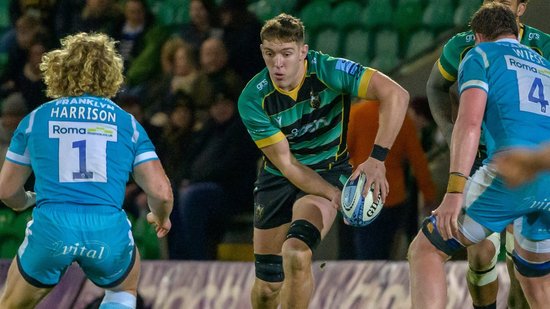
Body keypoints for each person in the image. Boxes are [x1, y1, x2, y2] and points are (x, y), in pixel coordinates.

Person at [238, 13, 409, 308]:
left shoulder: (328, 70)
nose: (277, 64)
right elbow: (288, 165)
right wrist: (335, 197)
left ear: (303, 52)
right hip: (279, 176)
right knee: (268, 286)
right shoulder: (253, 99)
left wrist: (376, 159)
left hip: (330, 169)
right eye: (270, 54)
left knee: (296, 253)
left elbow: (396, 93)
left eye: (286, 54)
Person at [0, 32, 173, 309]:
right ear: (111, 73)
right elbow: (161, 192)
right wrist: (161, 216)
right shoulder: (127, 124)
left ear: (60, 70)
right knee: (122, 288)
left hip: (52, 228)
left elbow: (7, 191)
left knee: (11, 304)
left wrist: (27, 201)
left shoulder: (35, 118)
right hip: (106, 228)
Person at [408, 3, 550, 309]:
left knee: (426, 250)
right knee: (535, 280)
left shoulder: (479, 54)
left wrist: (454, 192)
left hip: (510, 172)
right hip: (547, 176)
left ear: (477, 36)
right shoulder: (543, 61)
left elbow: (470, 123)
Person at [342, 99, 437, 260]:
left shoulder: (356, 113)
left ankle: (365, 283)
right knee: (385, 253)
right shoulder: (401, 119)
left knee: (363, 253)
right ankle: (382, 282)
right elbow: (418, 161)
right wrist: (429, 197)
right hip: (393, 197)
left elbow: (343, 154)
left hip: (361, 197)